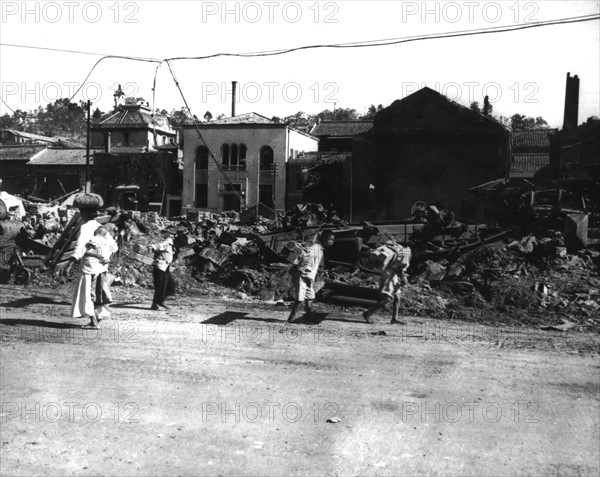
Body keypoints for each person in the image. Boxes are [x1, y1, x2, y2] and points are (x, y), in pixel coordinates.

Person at [287, 229, 335, 323]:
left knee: (310, 296)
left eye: (333, 240)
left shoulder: (320, 249)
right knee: (300, 298)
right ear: (324, 239)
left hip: (309, 276)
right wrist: (301, 269)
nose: (331, 242)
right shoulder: (314, 247)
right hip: (302, 274)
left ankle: (308, 316)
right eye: (330, 239)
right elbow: (303, 255)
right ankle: (291, 318)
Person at [70, 209, 104, 329]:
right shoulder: (100, 226)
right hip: (100, 265)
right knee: (96, 292)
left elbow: (80, 244)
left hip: (88, 265)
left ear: (85, 214)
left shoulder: (85, 227)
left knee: (87, 292)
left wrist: (72, 260)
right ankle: (96, 318)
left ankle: (94, 322)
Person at [362, 243, 411, 324]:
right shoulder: (407, 252)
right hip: (389, 273)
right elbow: (400, 266)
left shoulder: (403, 250)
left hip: (391, 272)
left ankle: (394, 319)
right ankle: (368, 313)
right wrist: (403, 277)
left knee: (397, 297)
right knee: (388, 298)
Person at [150, 229, 174, 310]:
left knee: (170, 285)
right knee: (160, 286)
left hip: (165, 267)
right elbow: (161, 245)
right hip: (160, 267)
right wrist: (153, 247)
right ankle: (157, 303)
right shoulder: (167, 242)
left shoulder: (171, 245)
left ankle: (160, 301)